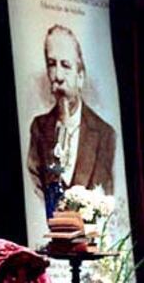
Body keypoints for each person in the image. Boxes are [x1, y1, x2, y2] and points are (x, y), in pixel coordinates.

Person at [27, 24, 115, 197]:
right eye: (52, 64)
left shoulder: (105, 134)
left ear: (80, 76)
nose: (58, 76)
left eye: (66, 66)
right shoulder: (38, 129)